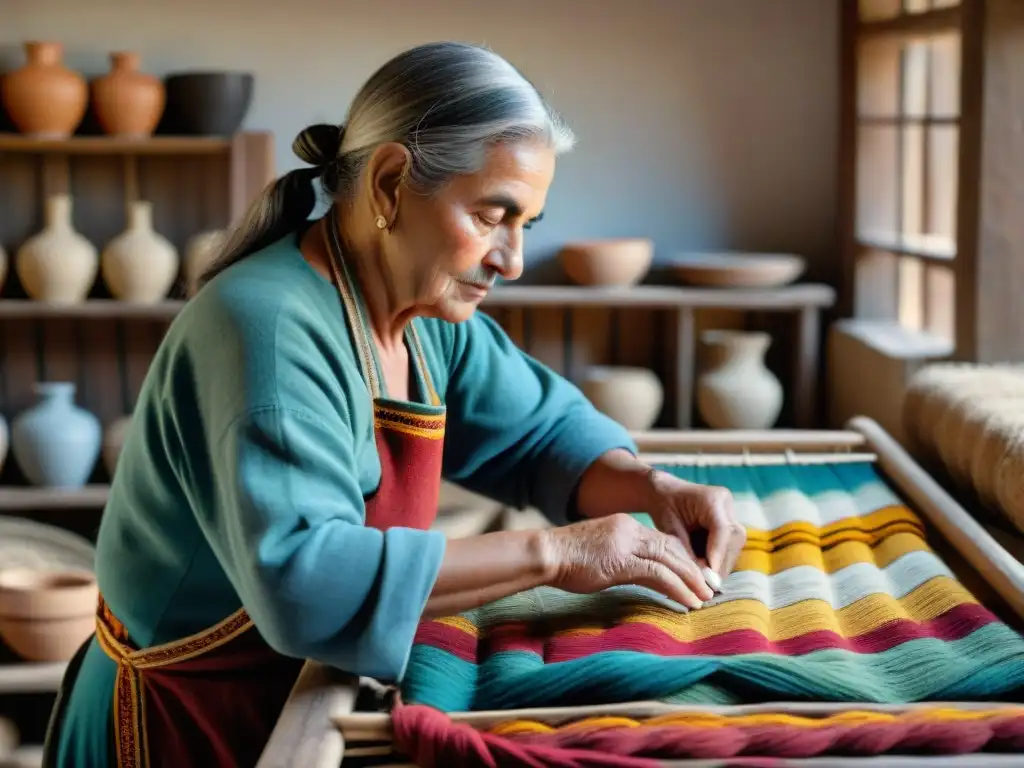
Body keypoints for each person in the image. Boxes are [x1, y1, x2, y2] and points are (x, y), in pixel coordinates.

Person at [46, 41, 745, 768]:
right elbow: (304, 582)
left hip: (295, 703)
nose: (509, 259)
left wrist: (653, 489)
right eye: (490, 216)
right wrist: (559, 552)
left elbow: (541, 435)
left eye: (525, 225)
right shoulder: (268, 328)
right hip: (179, 730)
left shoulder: (420, 316)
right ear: (388, 185)